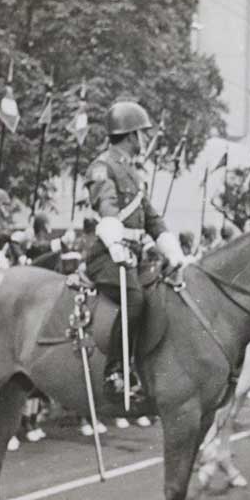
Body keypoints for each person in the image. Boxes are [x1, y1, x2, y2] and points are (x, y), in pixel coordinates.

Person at [85, 100, 185, 401]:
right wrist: (116, 242)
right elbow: (106, 205)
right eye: (142, 134)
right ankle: (116, 372)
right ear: (131, 136)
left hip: (135, 256)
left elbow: (150, 216)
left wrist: (171, 248)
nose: (145, 140)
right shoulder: (102, 166)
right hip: (107, 256)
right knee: (135, 299)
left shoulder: (133, 172)